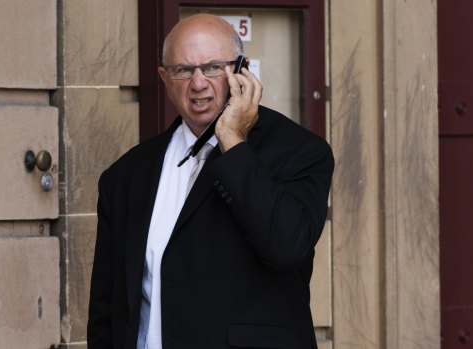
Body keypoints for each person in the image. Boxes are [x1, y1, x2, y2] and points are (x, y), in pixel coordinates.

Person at [88, 14, 334, 349]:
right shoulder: (126, 176)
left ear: (242, 72)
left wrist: (234, 142)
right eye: (183, 70)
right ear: (164, 77)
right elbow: (107, 308)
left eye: (214, 67)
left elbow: (286, 248)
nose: (199, 83)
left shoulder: (300, 151)